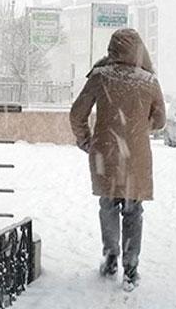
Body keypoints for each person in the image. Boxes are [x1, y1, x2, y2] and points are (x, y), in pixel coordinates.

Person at [70, 28, 165, 291]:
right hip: (136, 158)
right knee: (133, 211)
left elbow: (77, 114)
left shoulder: (100, 76)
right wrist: (138, 128)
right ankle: (131, 267)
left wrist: (86, 140)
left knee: (109, 205)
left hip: (106, 155)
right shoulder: (148, 81)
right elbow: (160, 120)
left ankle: (111, 256)